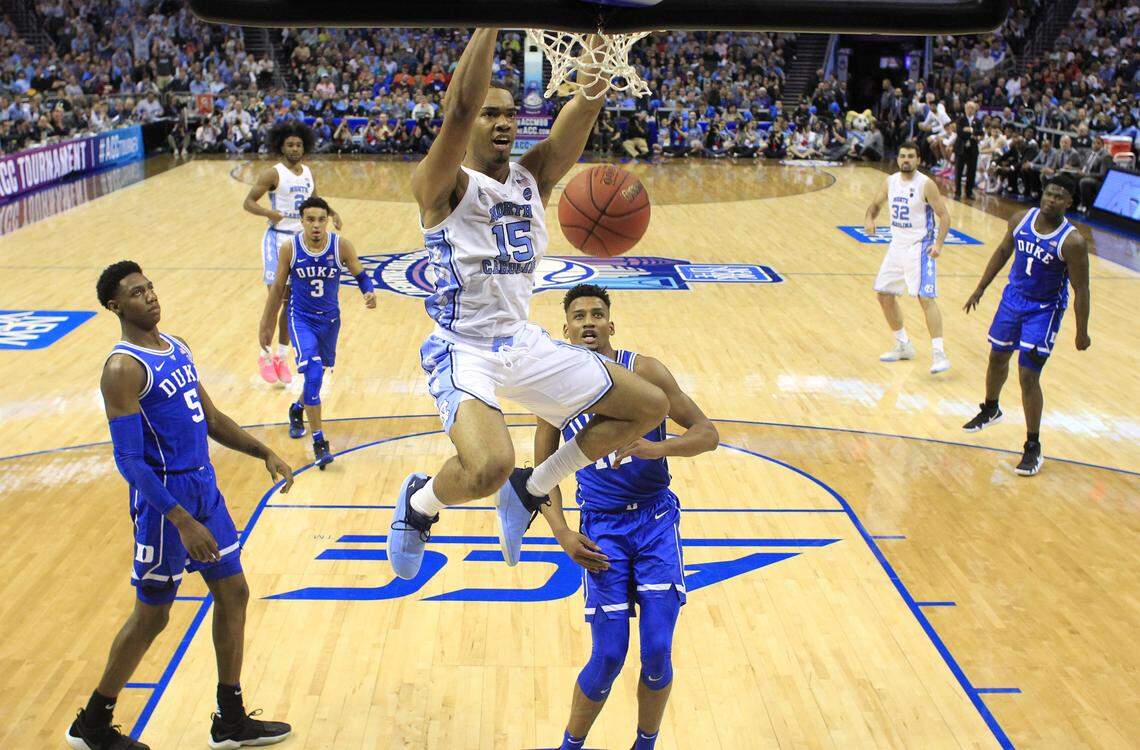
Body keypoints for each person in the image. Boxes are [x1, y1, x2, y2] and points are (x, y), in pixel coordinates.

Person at [386, 29, 669, 581]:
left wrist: (602, 43)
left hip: (519, 340)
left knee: (648, 405)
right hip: (461, 346)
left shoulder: (531, 177)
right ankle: (420, 505)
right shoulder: (439, 183)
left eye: (511, 114)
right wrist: (491, 19)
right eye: (491, 115)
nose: (503, 123)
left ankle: (532, 488)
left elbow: (585, 104)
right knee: (488, 464)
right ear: (469, 125)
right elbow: (461, 104)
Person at [68, 261, 295, 750]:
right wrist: (181, 519)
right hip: (164, 504)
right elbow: (129, 461)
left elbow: (210, 417)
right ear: (115, 306)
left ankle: (230, 720)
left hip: (203, 488)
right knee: (154, 614)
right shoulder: (122, 368)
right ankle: (92, 723)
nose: (149, 297)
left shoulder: (177, 347)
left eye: (149, 288)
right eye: (135, 293)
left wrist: (264, 451)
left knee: (233, 592)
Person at [541, 284, 719, 750]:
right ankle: (570, 746)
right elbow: (539, 477)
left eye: (597, 314)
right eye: (578, 316)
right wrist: (561, 533)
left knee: (657, 650)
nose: (588, 323)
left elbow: (707, 433)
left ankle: (645, 744)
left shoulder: (646, 371)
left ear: (611, 325)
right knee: (609, 655)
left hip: (655, 522)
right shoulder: (555, 389)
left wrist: (657, 447)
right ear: (566, 330)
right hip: (601, 528)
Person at [962, 176, 1091, 476]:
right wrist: (980, 288)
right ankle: (991, 408)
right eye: (1049, 193)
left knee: (1028, 375)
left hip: (1044, 310)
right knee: (997, 357)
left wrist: (1081, 330)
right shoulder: (1021, 219)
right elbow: (1003, 251)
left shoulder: (1073, 242)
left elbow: (1081, 289)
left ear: (1069, 202)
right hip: (1013, 299)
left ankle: (1033, 445)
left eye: (1059, 196)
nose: (1051, 199)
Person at [259, 197, 376, 467]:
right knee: (312, 373)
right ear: (301, 221)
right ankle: (319, 442)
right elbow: (277, 288)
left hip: (330, 322)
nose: (315, 225)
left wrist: (368, 292)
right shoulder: (290, 248)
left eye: (321, 219)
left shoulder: (341, 246)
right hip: (301, 319)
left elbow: (360, 274)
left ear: (327, 221)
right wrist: (265, 323)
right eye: (310, 219)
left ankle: (297, 409)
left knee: (317, 379)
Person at [242, 122, 341, 386]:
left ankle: (282, 356)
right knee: (275, 301)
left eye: (298, 144)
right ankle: (264, 354)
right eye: (290, 145)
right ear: (281, 146)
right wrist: (268, 213)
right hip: (276, 241)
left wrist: (332, 213)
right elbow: (248, 202)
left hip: (300, 243)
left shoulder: (308, 172)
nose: (295, 149)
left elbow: (315, 201)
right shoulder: (272, 174)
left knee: (291, 304)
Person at [865, 141, 953, 374]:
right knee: (884, 295)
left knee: (925, 297)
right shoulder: (890, 181)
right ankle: (903, 345)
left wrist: (939, 244)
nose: (906, 160)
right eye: (902, 156)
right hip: (897, 245)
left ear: (918, 159)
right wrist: (870, 219)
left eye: (910, 156)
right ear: (897, 159)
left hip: (919, 247)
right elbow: (874, 205)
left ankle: (939, 353)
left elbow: (944, 216)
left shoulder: (926, 184)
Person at [954, 100, 982, 199]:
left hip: (973, 150)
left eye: (972, 108)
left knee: (971, 172)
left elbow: (981, 133)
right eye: (968, 108)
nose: (970, 110)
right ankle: (957, 193)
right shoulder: (960, 119)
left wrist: (970, 130)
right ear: (965, 109)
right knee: (958, 172)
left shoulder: (978, 121)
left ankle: (969, 192)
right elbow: (959, 132)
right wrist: (972, 135)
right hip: (961, 149)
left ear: (975, 110)